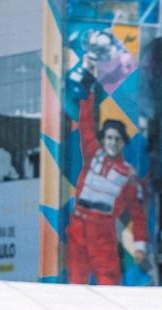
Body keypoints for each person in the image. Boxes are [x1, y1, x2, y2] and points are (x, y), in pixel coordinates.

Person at [65, 56, 148, 285]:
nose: (112, 142)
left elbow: (137, 213)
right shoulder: (93, 153)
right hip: (79, 224)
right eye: (109, 138)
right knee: (75, 283)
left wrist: (140, 245)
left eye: (117, 139)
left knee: (109, 283)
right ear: (104, 140)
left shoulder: (128, 175)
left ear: (123, 143)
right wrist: (89, 90)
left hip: (102, 230)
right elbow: (86, 123)